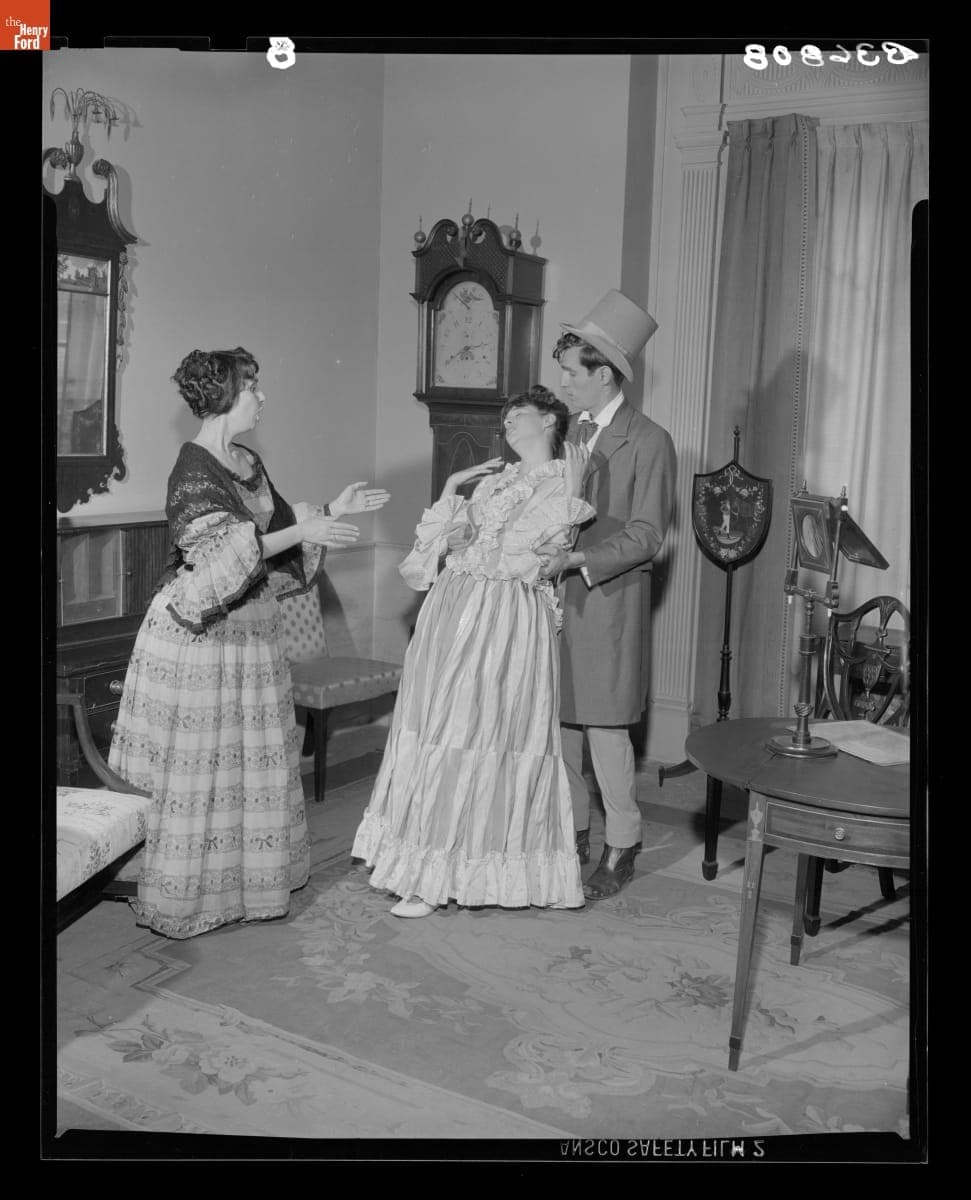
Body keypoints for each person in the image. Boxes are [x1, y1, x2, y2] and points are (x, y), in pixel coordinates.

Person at [108, 346, 389, 938]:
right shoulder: (193, 470)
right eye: (253, 386)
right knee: (202, 765)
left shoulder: (245, 460)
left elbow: (275, 534)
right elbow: (223, 559)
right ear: (224, 395)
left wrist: (333, 509)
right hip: (200, 639)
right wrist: (303, 528)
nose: (262, 396)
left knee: (242, 763)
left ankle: (241, 887)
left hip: (251, 633)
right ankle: (187, 895)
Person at [351, 385, 595, 918]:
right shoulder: (498, 479)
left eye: (519, 415)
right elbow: (449, 549)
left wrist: (571, 491)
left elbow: (540, 554)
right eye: (505, 417)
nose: (508, 424)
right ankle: (422, 869)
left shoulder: (564, 478)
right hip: (454, 606)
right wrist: (452, 488)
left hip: (507, 615)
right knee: (440, 725)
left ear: (549, 421)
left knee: (485, 732)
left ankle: (456, 876)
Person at [536, 291, 677, 900]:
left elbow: (647, 535)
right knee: (560, 728)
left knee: (605, 731)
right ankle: (573, 831)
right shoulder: (561, 433)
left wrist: (580, 559)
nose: (562, 384)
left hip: (607, 601)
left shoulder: (649, 440)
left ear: (604, 374)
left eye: (571, 373)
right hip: (555, 600)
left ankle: (623, 840)